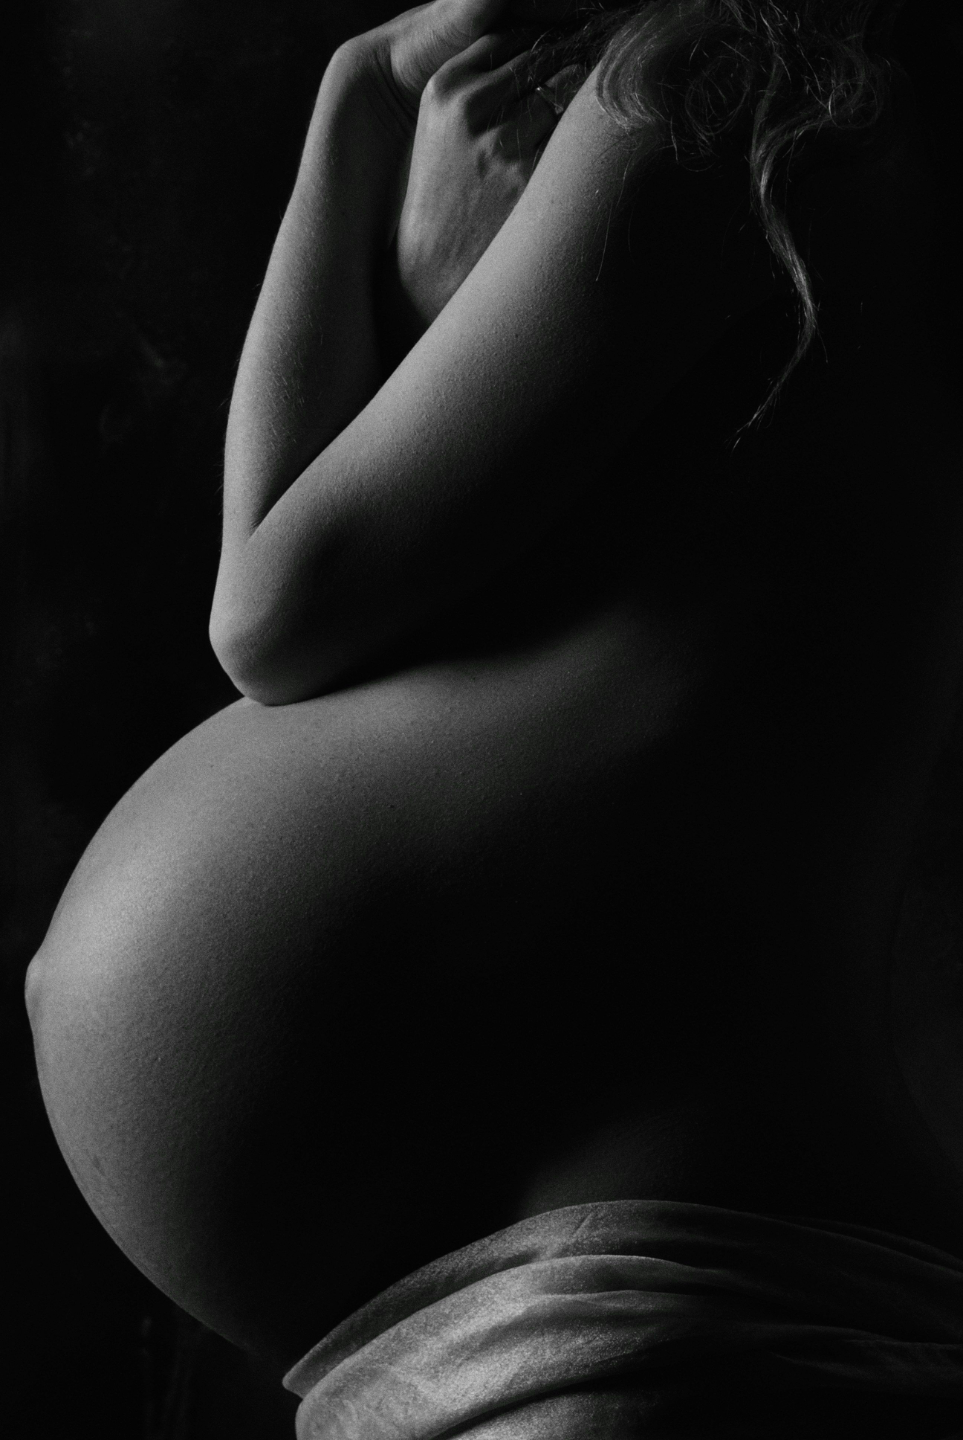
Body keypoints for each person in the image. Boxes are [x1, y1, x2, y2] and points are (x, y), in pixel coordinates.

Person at [25, 0, 963, 1432]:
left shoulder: (715, 85)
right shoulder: (807, 114)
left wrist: (352, 110)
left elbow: (270, 614)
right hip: (609, 1281)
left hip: (649, 1288)